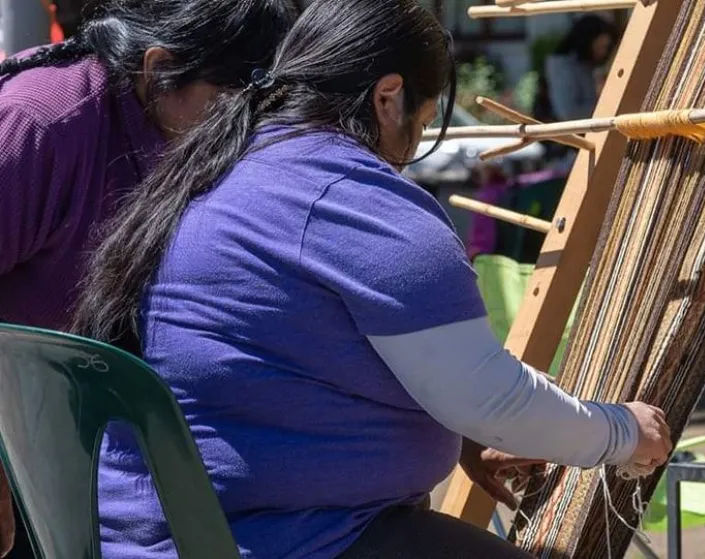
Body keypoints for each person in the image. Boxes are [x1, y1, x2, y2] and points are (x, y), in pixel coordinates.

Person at [71, 1, 674, 557]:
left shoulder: (221, 171)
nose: (413, 146)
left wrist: (464, 428)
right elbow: (491, 400)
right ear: (389, 97)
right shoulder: (351, 201)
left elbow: (290, 359)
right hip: (275, 539)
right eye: (424, 121)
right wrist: (623, 432)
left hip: (161, 535)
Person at [0, 1, 302, 557]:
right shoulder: (40, 124)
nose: (254, 124)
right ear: (159, 69)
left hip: (84, 438)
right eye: (236, 100)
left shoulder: (197, 137)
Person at [535, 14, 618, 124]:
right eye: (599, 47)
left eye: (606, 48)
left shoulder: (585, 65)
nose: (603, 53)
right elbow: (568, 113)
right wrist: (607, 109)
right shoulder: (563, 67)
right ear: (587, 42)